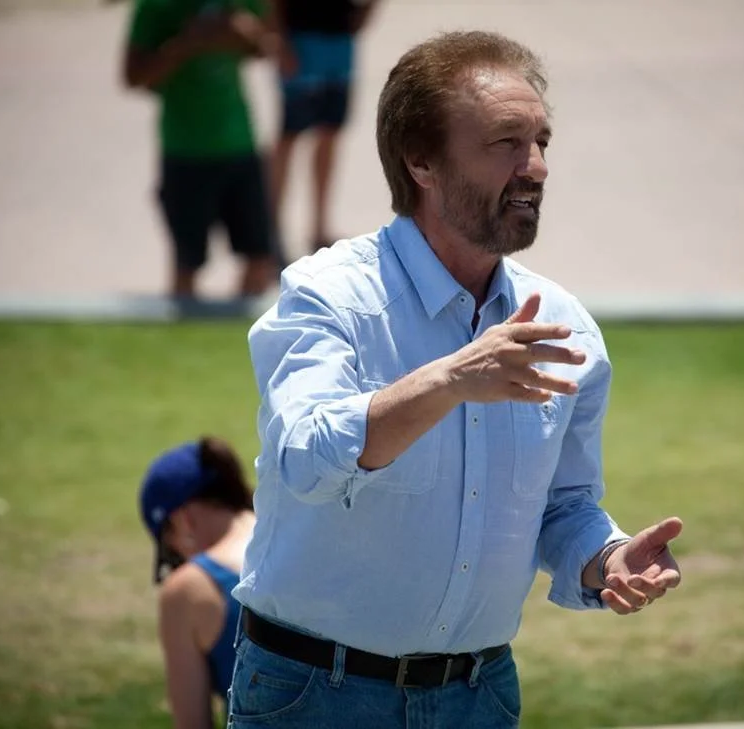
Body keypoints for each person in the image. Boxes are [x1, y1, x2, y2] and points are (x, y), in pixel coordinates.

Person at [229, 30, 685, 728]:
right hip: (315, 694)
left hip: (479, 695)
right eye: (506, 143)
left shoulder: (564, 328)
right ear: (421, 161)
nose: (536, 168)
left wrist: (608, 556)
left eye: (541, 142)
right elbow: (305, 461)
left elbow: (560, 506)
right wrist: (450, 379)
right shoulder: (329, 296)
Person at [122, 0, 281, 300]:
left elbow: (272, 48)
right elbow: (132, 76)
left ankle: (243, 332)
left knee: (260, 260)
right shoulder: (156, 7)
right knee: (187, 265)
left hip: (241, 144)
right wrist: (184, 45)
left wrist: (246, 34)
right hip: (184, 150)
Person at [138, 437, 257, 729]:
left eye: (170, 551)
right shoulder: (302, 537)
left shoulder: (188, 591)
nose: (179, 560)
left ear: (183, 521)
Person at [266, 0, 382, 255]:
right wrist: (279, 41)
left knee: (330, 132)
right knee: (289, 135)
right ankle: (270, 228)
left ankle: (319, 227)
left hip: (340, 42)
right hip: (301, 40)